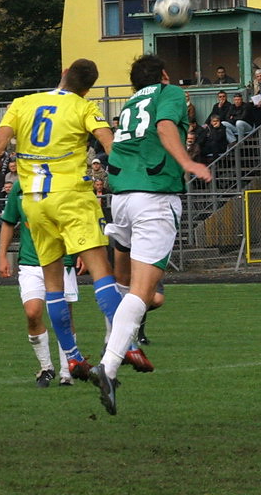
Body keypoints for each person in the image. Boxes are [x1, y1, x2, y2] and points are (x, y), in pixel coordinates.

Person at [0, 58, 122, 382]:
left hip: (34, 201)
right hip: (70, 198)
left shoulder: (24, 103)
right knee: (102, 273)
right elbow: (109, 143)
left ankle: (72, 360)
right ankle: (125, 343)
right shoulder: (84, 107)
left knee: (53, 287)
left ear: (63, 74)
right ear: (87, 88)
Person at [90, 53, 212, 414]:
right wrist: (187, 161)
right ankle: (109, 365)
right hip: (154, 196)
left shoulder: (129, 102)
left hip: (122, 196)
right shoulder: (167, 91)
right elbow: (164, 128)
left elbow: (118, 146)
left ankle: (113, 342)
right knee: (144, 293)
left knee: (125, 284)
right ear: (162, 74)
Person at [0, 180, 79, 387]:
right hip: (30, 261)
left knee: (63, 317)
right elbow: (8, 222)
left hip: (62, 260)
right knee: (32, 313)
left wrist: (82, 252)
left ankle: (66, 370)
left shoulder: (60, 178)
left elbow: (75, 221)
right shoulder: (19, 186)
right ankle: (46, 367)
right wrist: (2, 256)